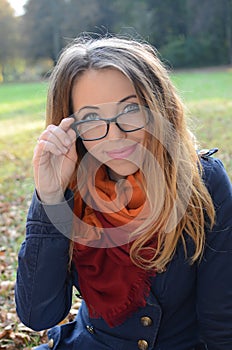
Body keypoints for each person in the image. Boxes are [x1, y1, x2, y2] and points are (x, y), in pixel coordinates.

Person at [15, 35, 232, 350]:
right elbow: (38, 314)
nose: (114, 135)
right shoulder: (71, 187)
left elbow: (222, 325)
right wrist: (49, 197)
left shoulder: (204, 183)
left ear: (159, 107)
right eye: (90, 118)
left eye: (130, 109)